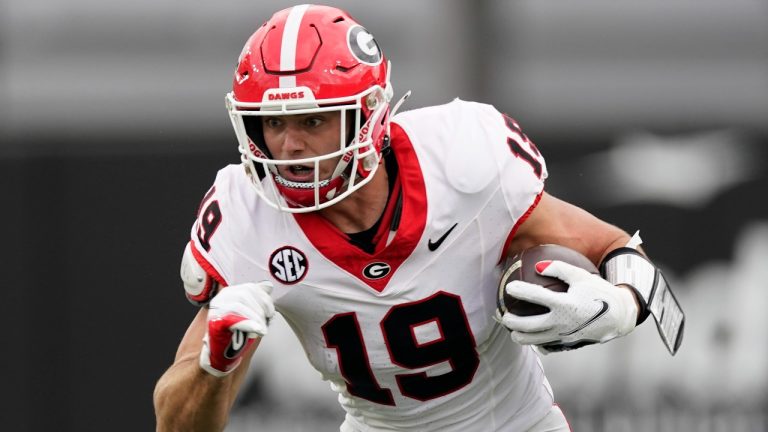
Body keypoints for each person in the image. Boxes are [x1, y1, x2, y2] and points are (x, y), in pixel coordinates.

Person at [153, 4, 684, 431]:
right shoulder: (247, 217)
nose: (290, 147)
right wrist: (212, 367)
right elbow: (175, 425)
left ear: (368, 117)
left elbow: (618, 249)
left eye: (312, 120)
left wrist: (621, 304)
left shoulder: (465, 162)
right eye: (272, 123)